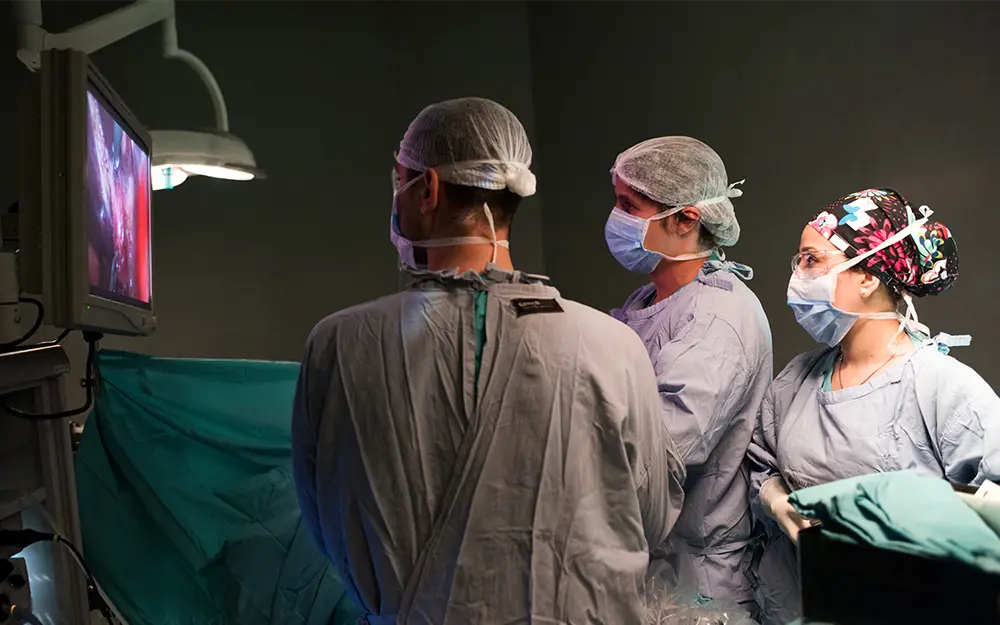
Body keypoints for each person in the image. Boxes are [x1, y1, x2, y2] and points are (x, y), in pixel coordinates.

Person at [291, 97, 686, 625]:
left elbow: (325, 526)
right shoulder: (614, 346)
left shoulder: (338, 345)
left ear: (427, 190)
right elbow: (650, 519)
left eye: (401, 180)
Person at [748, 187, 1000, 625]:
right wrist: (775, 499)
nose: (797, 276)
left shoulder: (940, 385)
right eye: (798, 261)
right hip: (792, 607)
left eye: (811, 260)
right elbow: (759, 463)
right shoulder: (797, 379)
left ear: (867, 277)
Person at [605, 136, 773, 613]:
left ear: (685, 219)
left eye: (629, 206)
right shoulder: (648, 301)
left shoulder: (718, 316)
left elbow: (662, 447)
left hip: (697, 578)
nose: (615, 218)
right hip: (652, 557)